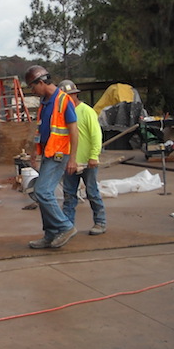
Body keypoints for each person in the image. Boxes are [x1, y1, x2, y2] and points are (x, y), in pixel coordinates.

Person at [24, 65, 79, 249]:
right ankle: (50, 234)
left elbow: (73, 131)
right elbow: (41, 128)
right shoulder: (45, 102)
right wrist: (35, 150)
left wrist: (73, 158)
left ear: (41, 82)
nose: (33, 91)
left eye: (33, 87)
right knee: (41, 192)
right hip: (48, 152)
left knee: (42, 192)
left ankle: (64, 227)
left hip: (59, 153)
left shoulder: (63, 100)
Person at [58, 80, 107, 235]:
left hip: (87, 161)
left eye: (68, 96)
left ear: (75, 95)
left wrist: (93, 156)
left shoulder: (86, 111)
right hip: (70, 161)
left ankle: (100, 222)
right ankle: (67, 226)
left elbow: (96, 135)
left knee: (92, 192)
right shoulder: (63, 113)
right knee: (69, 195)